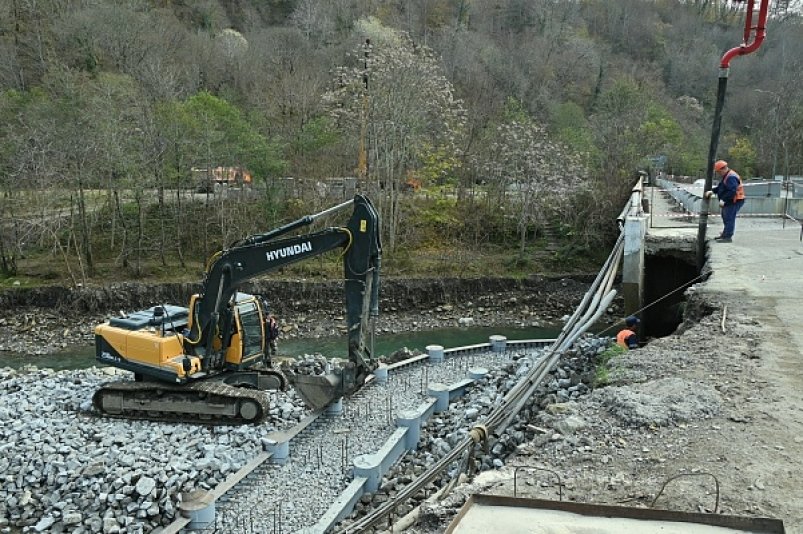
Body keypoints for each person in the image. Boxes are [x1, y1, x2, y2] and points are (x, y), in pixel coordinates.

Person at [704, 160, 745, 243]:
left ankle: (727, 237)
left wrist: (723, 200)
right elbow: (721, 187)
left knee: (729, 218)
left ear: (723, 169)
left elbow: (732, 191)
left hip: (735, 200)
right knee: (725, 216)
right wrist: (712, 191)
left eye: (719, 172)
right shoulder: (727, 176)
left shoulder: (731, 177)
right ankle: (725, 234)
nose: (719, 174)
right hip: (731, 200)